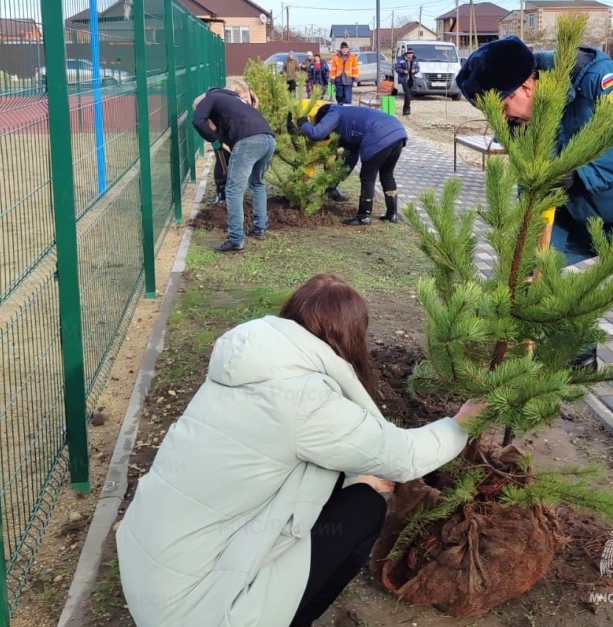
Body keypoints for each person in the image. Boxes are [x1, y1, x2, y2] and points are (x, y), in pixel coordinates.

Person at [116, 273, 486, 627]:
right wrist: (460, 423)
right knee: (365, 505)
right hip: (199, 609)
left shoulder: (246, 366)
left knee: (351, 486)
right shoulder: (303, 398)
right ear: (350, 336)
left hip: (149, 572)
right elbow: (404, 457)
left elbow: (291, 450)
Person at [455, 35, 613, 479]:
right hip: (583, 214)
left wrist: (581, 173)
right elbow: (531, 177)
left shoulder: (601, 83)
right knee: (532, 278)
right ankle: (578, 344)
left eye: (500, 108)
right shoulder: (519, 113)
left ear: (525, 87)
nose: (500, 121)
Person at [192, 86, 276, 252]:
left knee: (233, 190)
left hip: (249, 141)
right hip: (269, 139)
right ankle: (260, 227)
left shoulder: (210, 98)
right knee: (257, 183)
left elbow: (197, 121)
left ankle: (236, 239)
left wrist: (214, 139)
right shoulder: (234, 101)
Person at [298, 104, 407, 225]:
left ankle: (363, 216)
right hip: (398, 131)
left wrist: (303, 123)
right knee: (387, 174)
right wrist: (334, 180)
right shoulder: (349, 118)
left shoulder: (334, 111)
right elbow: (351, 157)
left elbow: (316, 133)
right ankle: (392, 214)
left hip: (379, 134)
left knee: (367, 177)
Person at [205, 81, 260, 205]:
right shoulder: (219, 99)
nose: (245, 100)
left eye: (246, 97)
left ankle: (237, 193)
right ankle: (221, 193)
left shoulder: (251, 99)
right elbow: (199, 104)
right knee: (222, 161)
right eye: (242, 97)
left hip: (241, 135)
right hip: (222, 133)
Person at [395, 47, 420, 116]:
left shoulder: (415, 59)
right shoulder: (401, 59)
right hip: (404, 79)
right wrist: (403, 71)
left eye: (411, 53)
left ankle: (406, 109)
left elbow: (418, 68)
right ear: (406, 54)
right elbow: (397, 68)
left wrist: (414, 70)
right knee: (407, 94)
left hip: (411, 79)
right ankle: (407, 109)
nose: (410, 55)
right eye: (409, 53)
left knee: (409, 95)